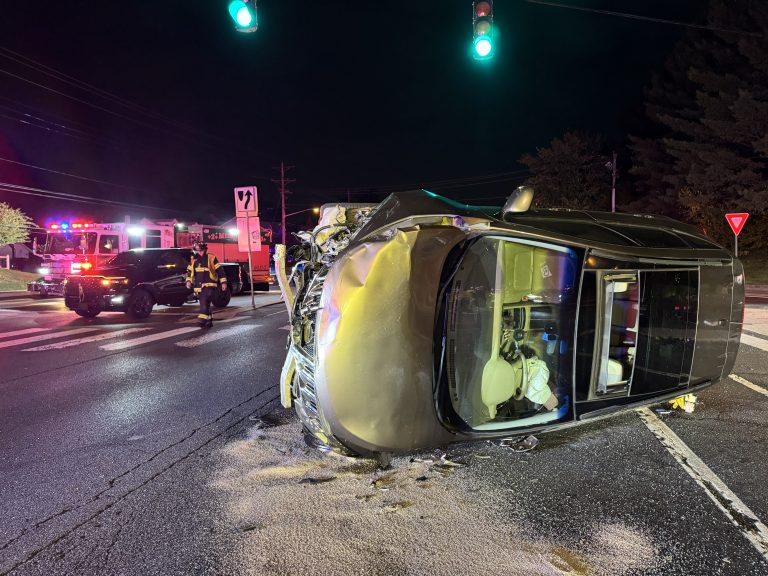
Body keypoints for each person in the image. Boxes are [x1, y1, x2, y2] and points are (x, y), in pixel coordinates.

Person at [186, 242, 227, 328]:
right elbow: (190, 272)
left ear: (205, 249)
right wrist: (188, 281)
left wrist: (223, 282)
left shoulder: (211, 257)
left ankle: (201, 320)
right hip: (198, 287)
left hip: (210, 285)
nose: (199, 252)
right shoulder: (193, 259)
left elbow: (220, 270)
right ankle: (208, 320)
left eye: (201, 250)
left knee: (204, 301)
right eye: (197, 251)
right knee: (205, 302)